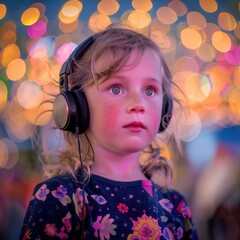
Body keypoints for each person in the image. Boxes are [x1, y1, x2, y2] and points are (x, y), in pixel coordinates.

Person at [20, 26, 199, 239]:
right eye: (116, 88)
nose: (138, 104)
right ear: (77, 106)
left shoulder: (175, 206)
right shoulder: (60, 199)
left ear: (165, 110)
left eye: (150, 90)